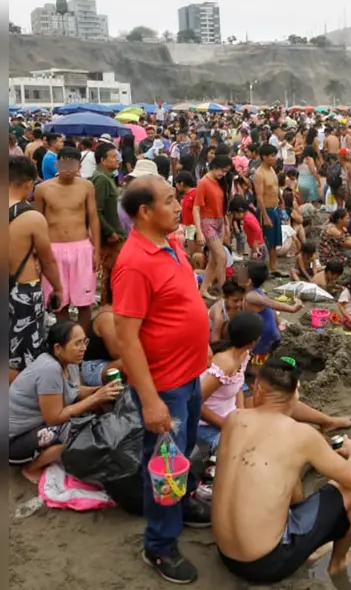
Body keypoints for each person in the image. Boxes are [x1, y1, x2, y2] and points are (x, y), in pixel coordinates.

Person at [113, 175, 212, 583]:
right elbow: (127, 339)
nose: (178, 206)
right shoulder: (133, 263)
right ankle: (159, 546)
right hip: (164, 386)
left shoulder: (169, 243)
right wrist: (150, 400)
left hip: (187, 376)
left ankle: (184, 502)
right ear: (144, 212)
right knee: (165, 466)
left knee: (184, 449)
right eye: (170, 201)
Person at [212, 357, 351, 584]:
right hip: (268, 563)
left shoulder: (234, 419)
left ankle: (299, 528)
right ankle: (338, 563)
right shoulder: (302, 435)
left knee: (285, 468)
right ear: (297, 392)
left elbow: (272, 414)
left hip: (226, 554)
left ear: (257, 389)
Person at [9, 320, 123, 483]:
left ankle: (49, 452)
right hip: (13, 440)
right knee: (76, 433)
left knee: (85, 420)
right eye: (77, 343)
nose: (83, 348)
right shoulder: (49, 370)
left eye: (84, 341)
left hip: (34, 425)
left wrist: (100, 390)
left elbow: (75, 391)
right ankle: (30, 468)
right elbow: (54, 418)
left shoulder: (70, 363)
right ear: (58, 348)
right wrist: (96, 398)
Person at [34, 147, 101, 332]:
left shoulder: (86, 186)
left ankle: (82, 342)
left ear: (79, 165)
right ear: (57, 164)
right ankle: (66, 342)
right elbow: (37, 221)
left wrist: (97, 250)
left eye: (73, 163)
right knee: (58, 301)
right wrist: (37, 253)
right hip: (53, 249)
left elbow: (93, 217)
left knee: (84, 302)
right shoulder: (43, 189)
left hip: (82, 248)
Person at [9, 156, 63, 383]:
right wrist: (58, 289)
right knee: (21, 355)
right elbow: (48, 261)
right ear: (30, 184)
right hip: (22, 292)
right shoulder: (31, 217)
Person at [198, 311, 262, 451]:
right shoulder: (225, 364)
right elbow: (195, 403)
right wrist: (226, 425)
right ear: (253, 341)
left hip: (229, 416)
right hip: (207, 426)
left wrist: (241, 414)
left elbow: (237, 387)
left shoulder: (243, 355)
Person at [243, 262, 303, 378]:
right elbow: (270, 308)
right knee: (264, 354)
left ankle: (259, 378)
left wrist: (292, 308)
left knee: (256, 366)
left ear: (248, 281)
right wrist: (279, 323)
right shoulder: (258, 292)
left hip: (264, 334)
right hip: (271, 331)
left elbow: (271, 303)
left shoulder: (251, 296)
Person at [194, 155, 234, 299]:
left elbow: (222, 204)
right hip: (208, 223)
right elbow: (196, 208)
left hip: (219, 221)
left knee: (214, 259)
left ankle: (203, 289)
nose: (223, 174)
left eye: (226, 172)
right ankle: (224, 293)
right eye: (222, 171)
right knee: (221, 258)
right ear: (215, 166)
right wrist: (199, 231)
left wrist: (226, 222)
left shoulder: (220, 182)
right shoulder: (204, 182)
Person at [92, 142, 125, 300]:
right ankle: (108, 307)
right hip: (111, 237)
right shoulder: (101, 179)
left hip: (115, 234)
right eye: (114, 157)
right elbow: (96, 211)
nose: (118, 160)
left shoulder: (107, 178)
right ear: (102, 160)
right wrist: (109, 231)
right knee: (112, 274)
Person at [80, 276, 124, 386]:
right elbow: (117, 353)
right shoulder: (107, 316)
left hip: (114, 361)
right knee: (134, 361)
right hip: (96, 367)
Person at [253, 144, 283, 273]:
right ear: (264, 157)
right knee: (266, 242)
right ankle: (262, 268)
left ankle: (273, 267)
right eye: (272, 156)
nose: (275, 158)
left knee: (275, 243)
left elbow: (275, 188)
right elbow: (259, 197)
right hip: (266, 210)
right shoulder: (259, 173)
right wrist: (265, 216)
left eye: (275, 155)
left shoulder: (272, 170)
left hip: (275, 208)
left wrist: (281, 200)